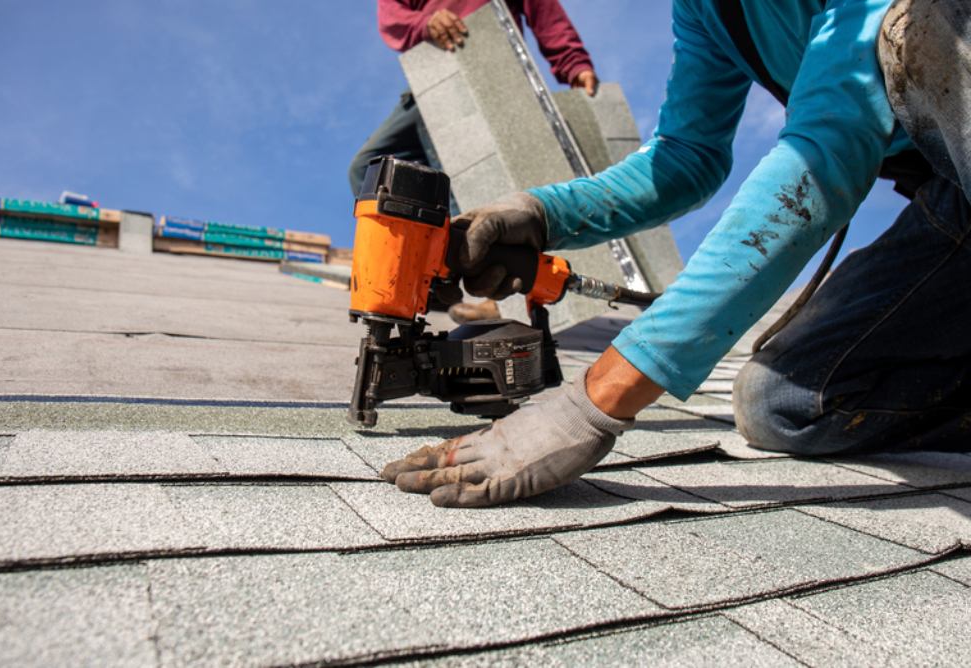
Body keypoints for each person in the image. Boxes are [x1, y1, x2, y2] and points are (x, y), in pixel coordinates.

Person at [382, 0, 971, 507]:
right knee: (784, 404)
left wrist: (594, 403)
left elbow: (827, 147)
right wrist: (542, 215)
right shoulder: (705, 11)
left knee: (923, 31)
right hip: (954, 197)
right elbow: (687, 157)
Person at [349, 0, 600, 322]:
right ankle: (427, 272)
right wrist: (426, 23)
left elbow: (546, 13)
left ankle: (494, 295)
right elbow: (392, 13)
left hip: (491, 72)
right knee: (371, 167)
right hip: (434, 77)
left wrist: (574, 64)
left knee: (477, 180)